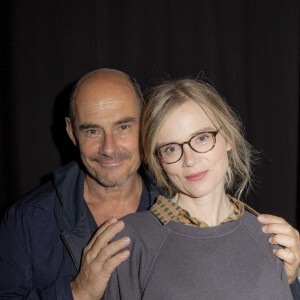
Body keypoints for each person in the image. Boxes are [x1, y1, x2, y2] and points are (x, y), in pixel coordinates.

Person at [0, 69, 299, 299]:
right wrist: (77, 291)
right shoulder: (27, 220)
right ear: (71, 132)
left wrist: (290, 277)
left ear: (145, 129)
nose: (109, 147)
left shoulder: (185, 205)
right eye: (92, 130)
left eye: (124, 126)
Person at [103, 78, 299, 299]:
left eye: (202, 138)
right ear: (158, 161)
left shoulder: (271, 238)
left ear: (228, 138)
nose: (190, 160)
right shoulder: (131, 240)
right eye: (171, 149)